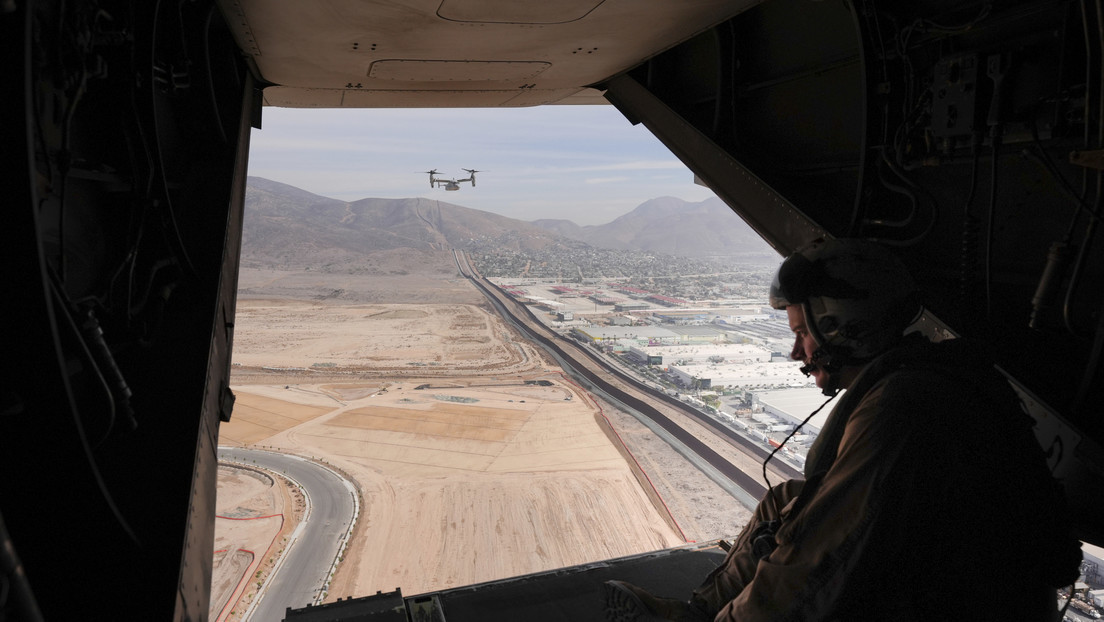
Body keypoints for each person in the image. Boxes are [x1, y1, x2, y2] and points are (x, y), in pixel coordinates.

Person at [604, 237, 1081, 621]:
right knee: (787, 499)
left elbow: (824, 559)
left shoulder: (903, 408)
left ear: (841, 328)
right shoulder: (916, 383)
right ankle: (698, 613)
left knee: (815, 534)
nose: (796, 354)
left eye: (801, 333)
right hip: (957, 580)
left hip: (963, 603)